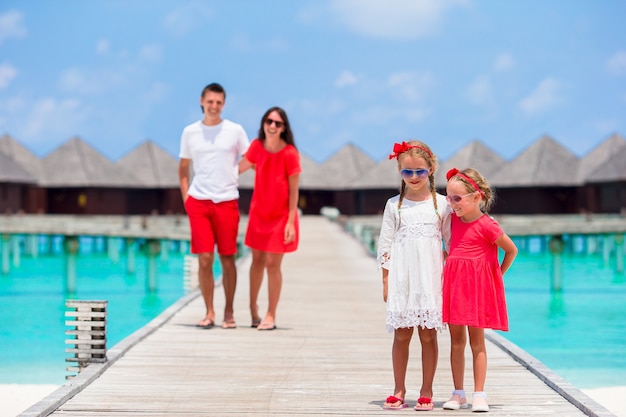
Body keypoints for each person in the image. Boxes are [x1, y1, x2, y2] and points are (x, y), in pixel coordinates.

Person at [377, 140, 452, 411]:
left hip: (430, 279)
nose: (414, 177)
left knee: (429, 335)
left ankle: (427, 389)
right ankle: (399, 388)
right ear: (399, 172)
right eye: (407, 172)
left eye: (420, 171)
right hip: (402, 278)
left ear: (431, 169)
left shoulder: (442, 205)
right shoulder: (393, 205)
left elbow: (451, 242)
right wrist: (386, 279)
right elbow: (385, 244)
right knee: (401, 334)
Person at [442, 168, 518, 412]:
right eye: (448, 198)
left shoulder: (488, 225)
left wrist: (497, 277)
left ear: (477, 197)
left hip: (477, 292)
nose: (452, 204)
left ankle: (479, 394)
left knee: (477, 343)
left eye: (457, 198)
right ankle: (458, 393)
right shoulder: (451, 220)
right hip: (454, 288)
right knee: (456, 342)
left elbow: (512, 250)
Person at [178, 82, 249, 330]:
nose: (214, 107)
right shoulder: (190, 133)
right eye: (210, 102)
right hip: (198, 201)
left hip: (227, 201)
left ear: (224, 104)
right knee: (205, 258)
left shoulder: (235, 130)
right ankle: (209, 311)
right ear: (201, 101)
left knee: (227, 258)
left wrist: (234, 172)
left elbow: (251, 158)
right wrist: (187, 198)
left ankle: (229, 312)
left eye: (218, 102)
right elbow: (183, 169)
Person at [238, 106, 301, 331]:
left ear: (284, 128)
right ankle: (253, 308)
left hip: (281, 216)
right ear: (263, 124)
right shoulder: (256, 147)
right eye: (269, 122)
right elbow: (239, 168)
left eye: (277, 123)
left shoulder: (290, 153)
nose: (272, 126)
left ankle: (271, 314)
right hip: (259, 214)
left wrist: (291, 222)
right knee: (257, 262)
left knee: (273, 264)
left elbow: (294, 191)